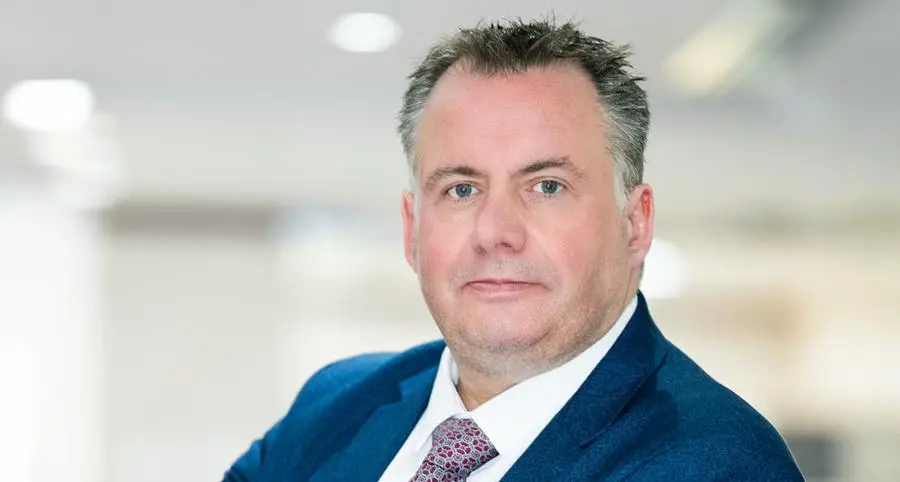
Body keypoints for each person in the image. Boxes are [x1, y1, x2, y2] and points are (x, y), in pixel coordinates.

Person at [223, 18, 804, 481]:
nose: (495, 230)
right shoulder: (336, 404)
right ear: (412, 229)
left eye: (546, 186)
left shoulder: (716, 461)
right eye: (461, 189)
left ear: (635, 224)